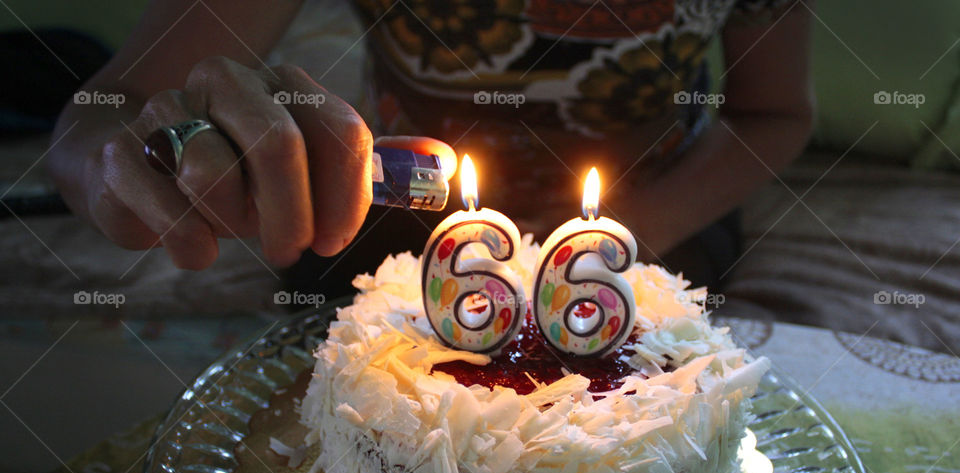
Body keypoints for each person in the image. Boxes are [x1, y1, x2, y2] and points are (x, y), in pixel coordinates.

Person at [48, 0, 813, 291]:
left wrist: (629, 229)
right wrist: (126, 164)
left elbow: (773, 114)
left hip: (657, 213)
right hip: (387, 214)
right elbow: (99, 120)